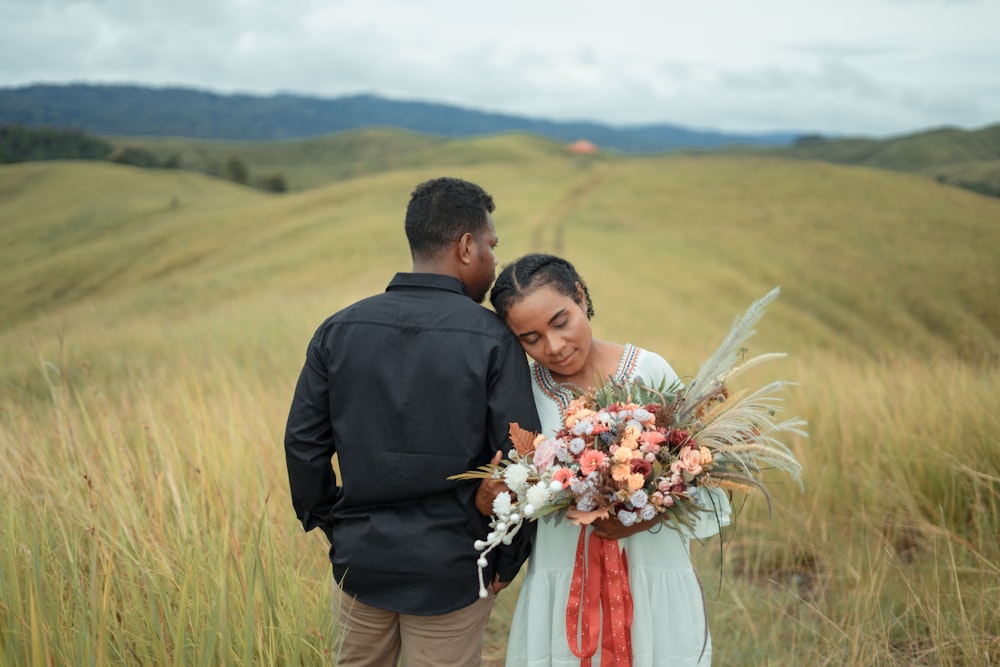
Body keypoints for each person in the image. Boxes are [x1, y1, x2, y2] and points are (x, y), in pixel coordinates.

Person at [284, 177, 542, 667]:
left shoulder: (338, 329)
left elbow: (302, 445)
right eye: (490, 246)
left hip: (361, 561)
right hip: (454, 566)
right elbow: (520, 455)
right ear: (466, 246)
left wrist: (332, 523)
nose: (492, 260)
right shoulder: (493, 339)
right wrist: (507, 556)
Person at [489, 253, 732, 667]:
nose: (554, 346)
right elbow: (512, 484)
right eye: (530, 339)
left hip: (652, 571)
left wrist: (643, 514)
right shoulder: (522, 391)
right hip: (565, 580)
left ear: (580, 297)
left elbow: (700, 477)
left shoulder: (650, 371)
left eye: (560, 321)